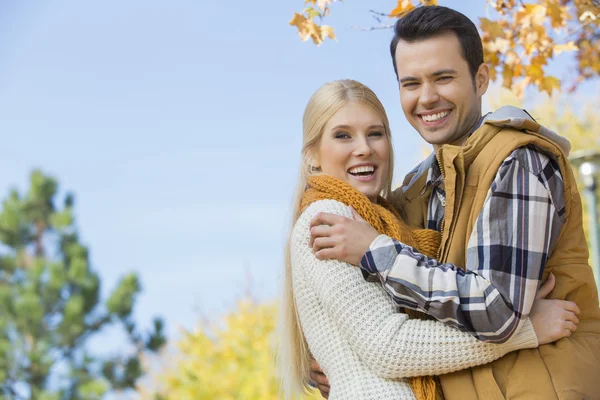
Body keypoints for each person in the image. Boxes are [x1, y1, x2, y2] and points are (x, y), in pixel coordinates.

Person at [308, 6, 600, 400]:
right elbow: (393, 320)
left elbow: (498, 313)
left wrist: (376, 251)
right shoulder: (415, 190)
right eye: (411, 83)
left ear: (480, 79)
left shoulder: (515, 161)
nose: (427, 98)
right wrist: (340, 356)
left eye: (443, 78)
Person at [276, 79, 578, 400]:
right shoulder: (329, 217)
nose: (363, 147)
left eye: (375, 133)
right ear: (312, 155)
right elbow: (388, 347)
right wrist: (521, 330)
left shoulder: (381, 221)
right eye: (343, 135)